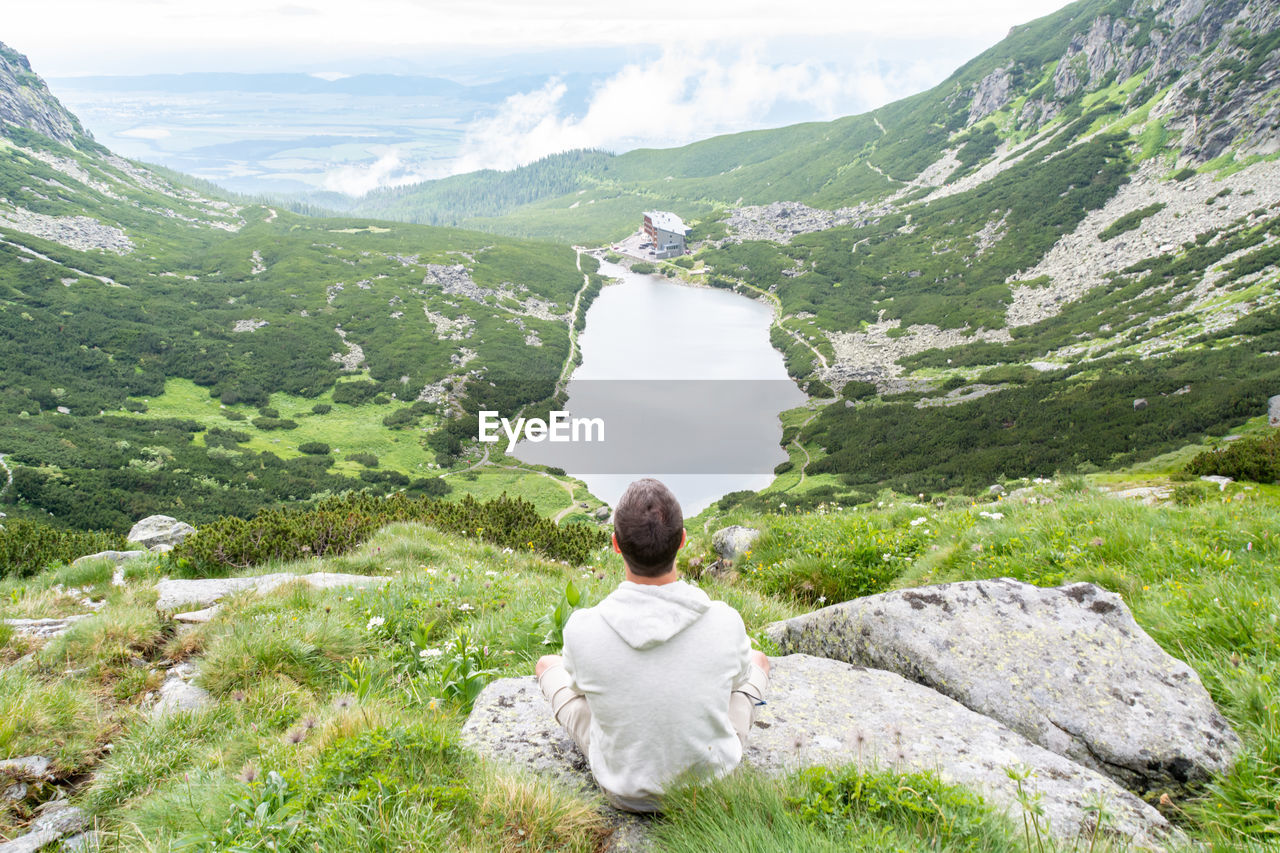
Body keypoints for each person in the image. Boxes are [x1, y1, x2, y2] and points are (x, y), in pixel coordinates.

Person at [535, 478, 771, 812]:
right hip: (709, 786)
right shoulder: (724, 620)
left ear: (616, 544)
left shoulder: (583, 628)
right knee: (758, 661)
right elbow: (736, 682)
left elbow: (578, 690)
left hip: (622, 790)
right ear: (683, 541)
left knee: (547, 666)